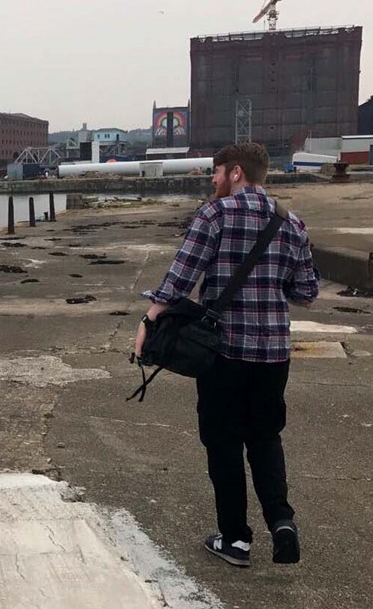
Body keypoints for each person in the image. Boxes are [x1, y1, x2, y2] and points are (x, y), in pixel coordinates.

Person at [135, 141, 318, 568]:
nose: (213, 181)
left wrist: (148, 321)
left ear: (235, 172)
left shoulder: (214, 214)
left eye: (216, 173)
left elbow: (180, 278)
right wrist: (272, 285)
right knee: (265, 436)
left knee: (223, 443)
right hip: (274, 352)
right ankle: (282, 522)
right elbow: (306, 292)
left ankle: (235, 540)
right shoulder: (291, 223)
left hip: (224, 351)